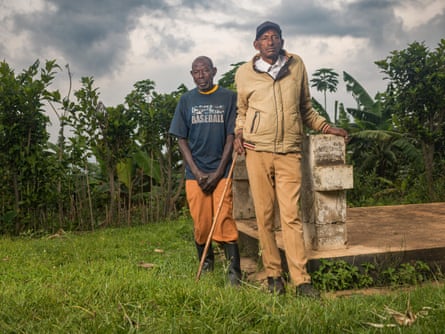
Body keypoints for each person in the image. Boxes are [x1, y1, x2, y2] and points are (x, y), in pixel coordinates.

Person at [233, 21, 349, 297]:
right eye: (264, 37)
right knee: (264, 216)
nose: (270, 41)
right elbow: (242, 110)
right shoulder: (244, 73)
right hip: (257, 151)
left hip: (289, 151)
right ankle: (274, 275)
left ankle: (301, 280)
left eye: (275, 36)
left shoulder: (296, 65)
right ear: (256, 45)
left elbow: (305, 108)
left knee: (291, 217)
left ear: (282, 41)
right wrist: (239, 132)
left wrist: (326, 127)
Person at [169, 56, 242, 286]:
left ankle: (234, 272)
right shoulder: (186, 100)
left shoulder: (229, 97)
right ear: (192, 74)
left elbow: (231, 136)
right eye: (196, 72)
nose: (201, 76)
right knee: (201, 223)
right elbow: (181, 139)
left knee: (224, 218)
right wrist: (197, 173)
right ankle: (207, 261)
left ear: (214, 71)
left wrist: (219, 171)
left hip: (222, 170)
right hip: (195, 174)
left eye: (205, 71)